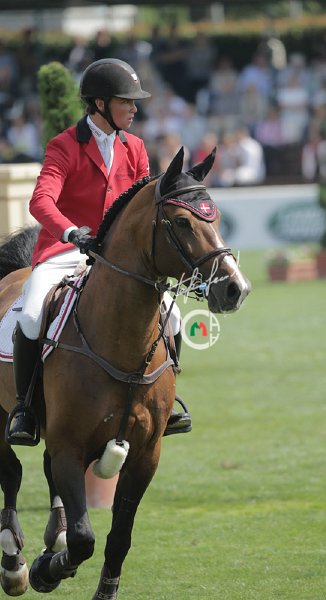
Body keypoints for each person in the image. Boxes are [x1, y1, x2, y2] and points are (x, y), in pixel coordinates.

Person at [6, 58, 191, 446]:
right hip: (65, 249)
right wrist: (71, 232)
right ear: (101, 104)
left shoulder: (134, 147)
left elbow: (142, 205)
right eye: (127, 101)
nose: (135, 108)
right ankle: (25, 407)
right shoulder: (64, 145)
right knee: (33, 312)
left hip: (117, 257)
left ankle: (168, 399)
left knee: (172, 315)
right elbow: (41, 201)